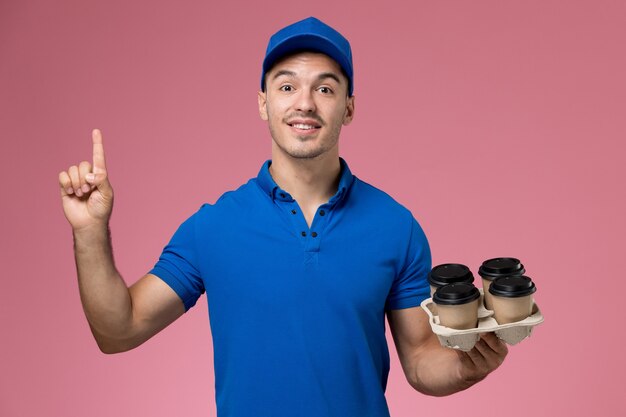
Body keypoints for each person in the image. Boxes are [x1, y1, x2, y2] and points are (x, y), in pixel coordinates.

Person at [58, 16, 508, 417]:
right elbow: (119, 332)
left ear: (348, 107)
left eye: (325, 88)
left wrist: (465, 365)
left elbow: (420, 360)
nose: (305, 103)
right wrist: (90, 231)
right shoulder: (213, 227)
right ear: (263, 103)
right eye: (287, 86)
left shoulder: (396, 226)